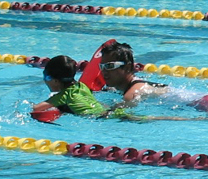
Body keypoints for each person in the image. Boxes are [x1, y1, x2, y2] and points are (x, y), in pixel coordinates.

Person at [32, 55, 106, 116]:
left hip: (94, 118)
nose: (44, 80)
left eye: (46, 77)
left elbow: (36, 108)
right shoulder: (82, 86)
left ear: (56, 81)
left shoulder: (63, 96)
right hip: (103, 111)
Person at [100, 41, 168, 105]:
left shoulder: (131, 94)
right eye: (101, 66)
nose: (104, 71)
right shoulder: (118, 87)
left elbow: (114, 115)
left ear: (127, 67)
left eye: (110, 66)